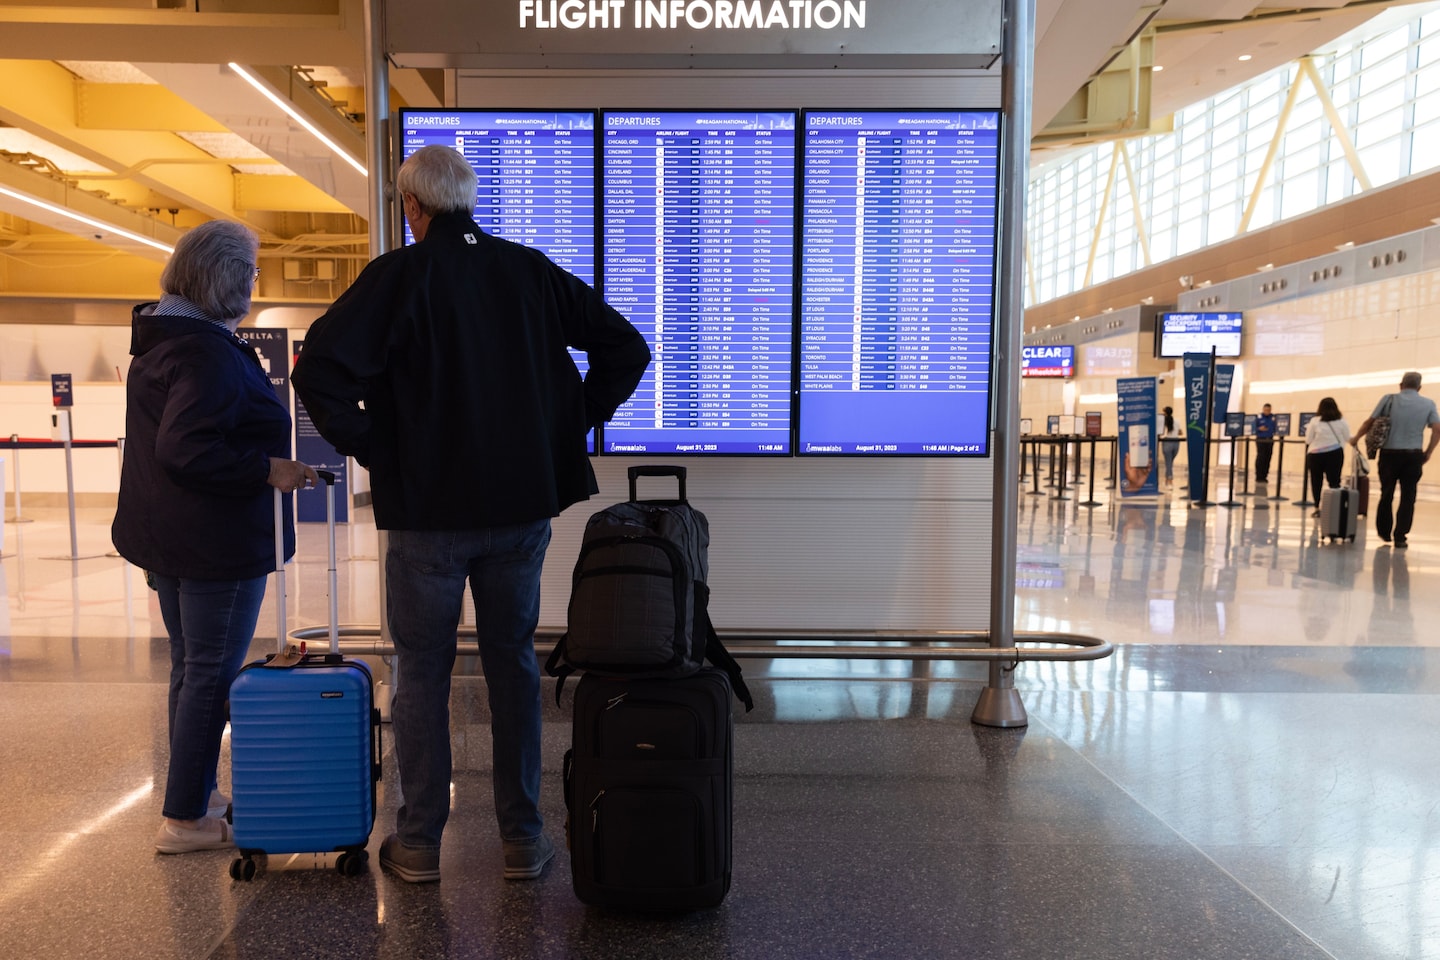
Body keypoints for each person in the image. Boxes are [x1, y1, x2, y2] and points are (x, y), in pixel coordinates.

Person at [291, 144, 650, 884]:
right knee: (511, 663)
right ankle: (523, 839)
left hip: (426, 515)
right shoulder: (528, 270)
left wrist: (377, 447)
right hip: (520, 512)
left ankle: (420, 842)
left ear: (411, 206)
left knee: (422, 670)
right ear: (468, 201)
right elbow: (626, 347)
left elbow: (317, 371)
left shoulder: (397, 276)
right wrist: (566, 425)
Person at [111, 220, 318, 855]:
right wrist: (267, 469)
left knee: (191, 668)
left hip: (170, 536)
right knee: (210, 675)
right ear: (227, 280)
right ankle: (185, 821)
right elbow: (186, 448)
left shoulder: (161, 340)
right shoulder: (205, 353)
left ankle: (195, 795)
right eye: (252, 272)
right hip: (213, 543)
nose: (255, 283)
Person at [1349, 371, 1440, 548]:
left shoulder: (1388, 399)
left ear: (1401, 385)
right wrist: (1428, 452)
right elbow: (1437, 429)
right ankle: (1400, 536)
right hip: (1413, 455)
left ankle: (1384, 532)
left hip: (1389, 455)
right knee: (1408, 495)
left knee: (1387, 493)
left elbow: (1369, 422)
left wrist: (1356, 438)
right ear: (1419, 387)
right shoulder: (1428, 403)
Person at [1303, 397, 1349, 517]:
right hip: (1335, 454)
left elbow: (1308, 440)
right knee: (1334, 482)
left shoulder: (1314, 421)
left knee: (1316, 482)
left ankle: (1317, 507)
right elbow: (1347, 437)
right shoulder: (1342, 421)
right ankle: (1335, 509)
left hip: (1315, 455)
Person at [1159, 406, 1183, 487]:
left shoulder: (1163, 422)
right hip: (1176, 441)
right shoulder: (1177, 421)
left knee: (1168, 462)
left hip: (1167, 441)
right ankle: (1168, 480)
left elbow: (1161, 432)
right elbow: (1180, 432)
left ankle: (1168, 480)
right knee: (1169, 462)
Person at [1253, 403, 1276, 483]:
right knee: (1261, 457)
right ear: (1263, 409)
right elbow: (1253, 428)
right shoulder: (1258, 417)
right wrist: (1259, 429)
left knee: (1268, 457)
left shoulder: (1273, 418)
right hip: (1261, 439)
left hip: (1269, 439)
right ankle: (1258, 476)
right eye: (1266, 410)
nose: (1267, 411)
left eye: (1268, 410)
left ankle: (1264, 476)